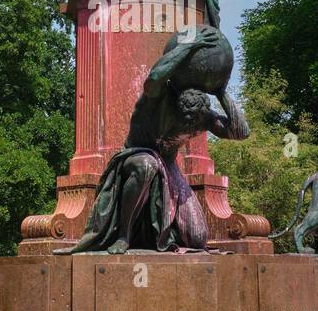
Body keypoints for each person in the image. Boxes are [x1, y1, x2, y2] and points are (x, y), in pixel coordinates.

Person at [57, 26, 248, 254]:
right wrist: (190, 46)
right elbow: (155, 76)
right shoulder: (157, 97)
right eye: (184, 115)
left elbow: (240, 132)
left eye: (193, 119)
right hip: (135, 156)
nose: (188, 121)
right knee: (146, 164)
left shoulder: (202, 114)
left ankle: (158, 233)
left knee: (197, 237)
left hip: (167, 166)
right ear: (177, 101)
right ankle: (123, 236)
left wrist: (221, 92)